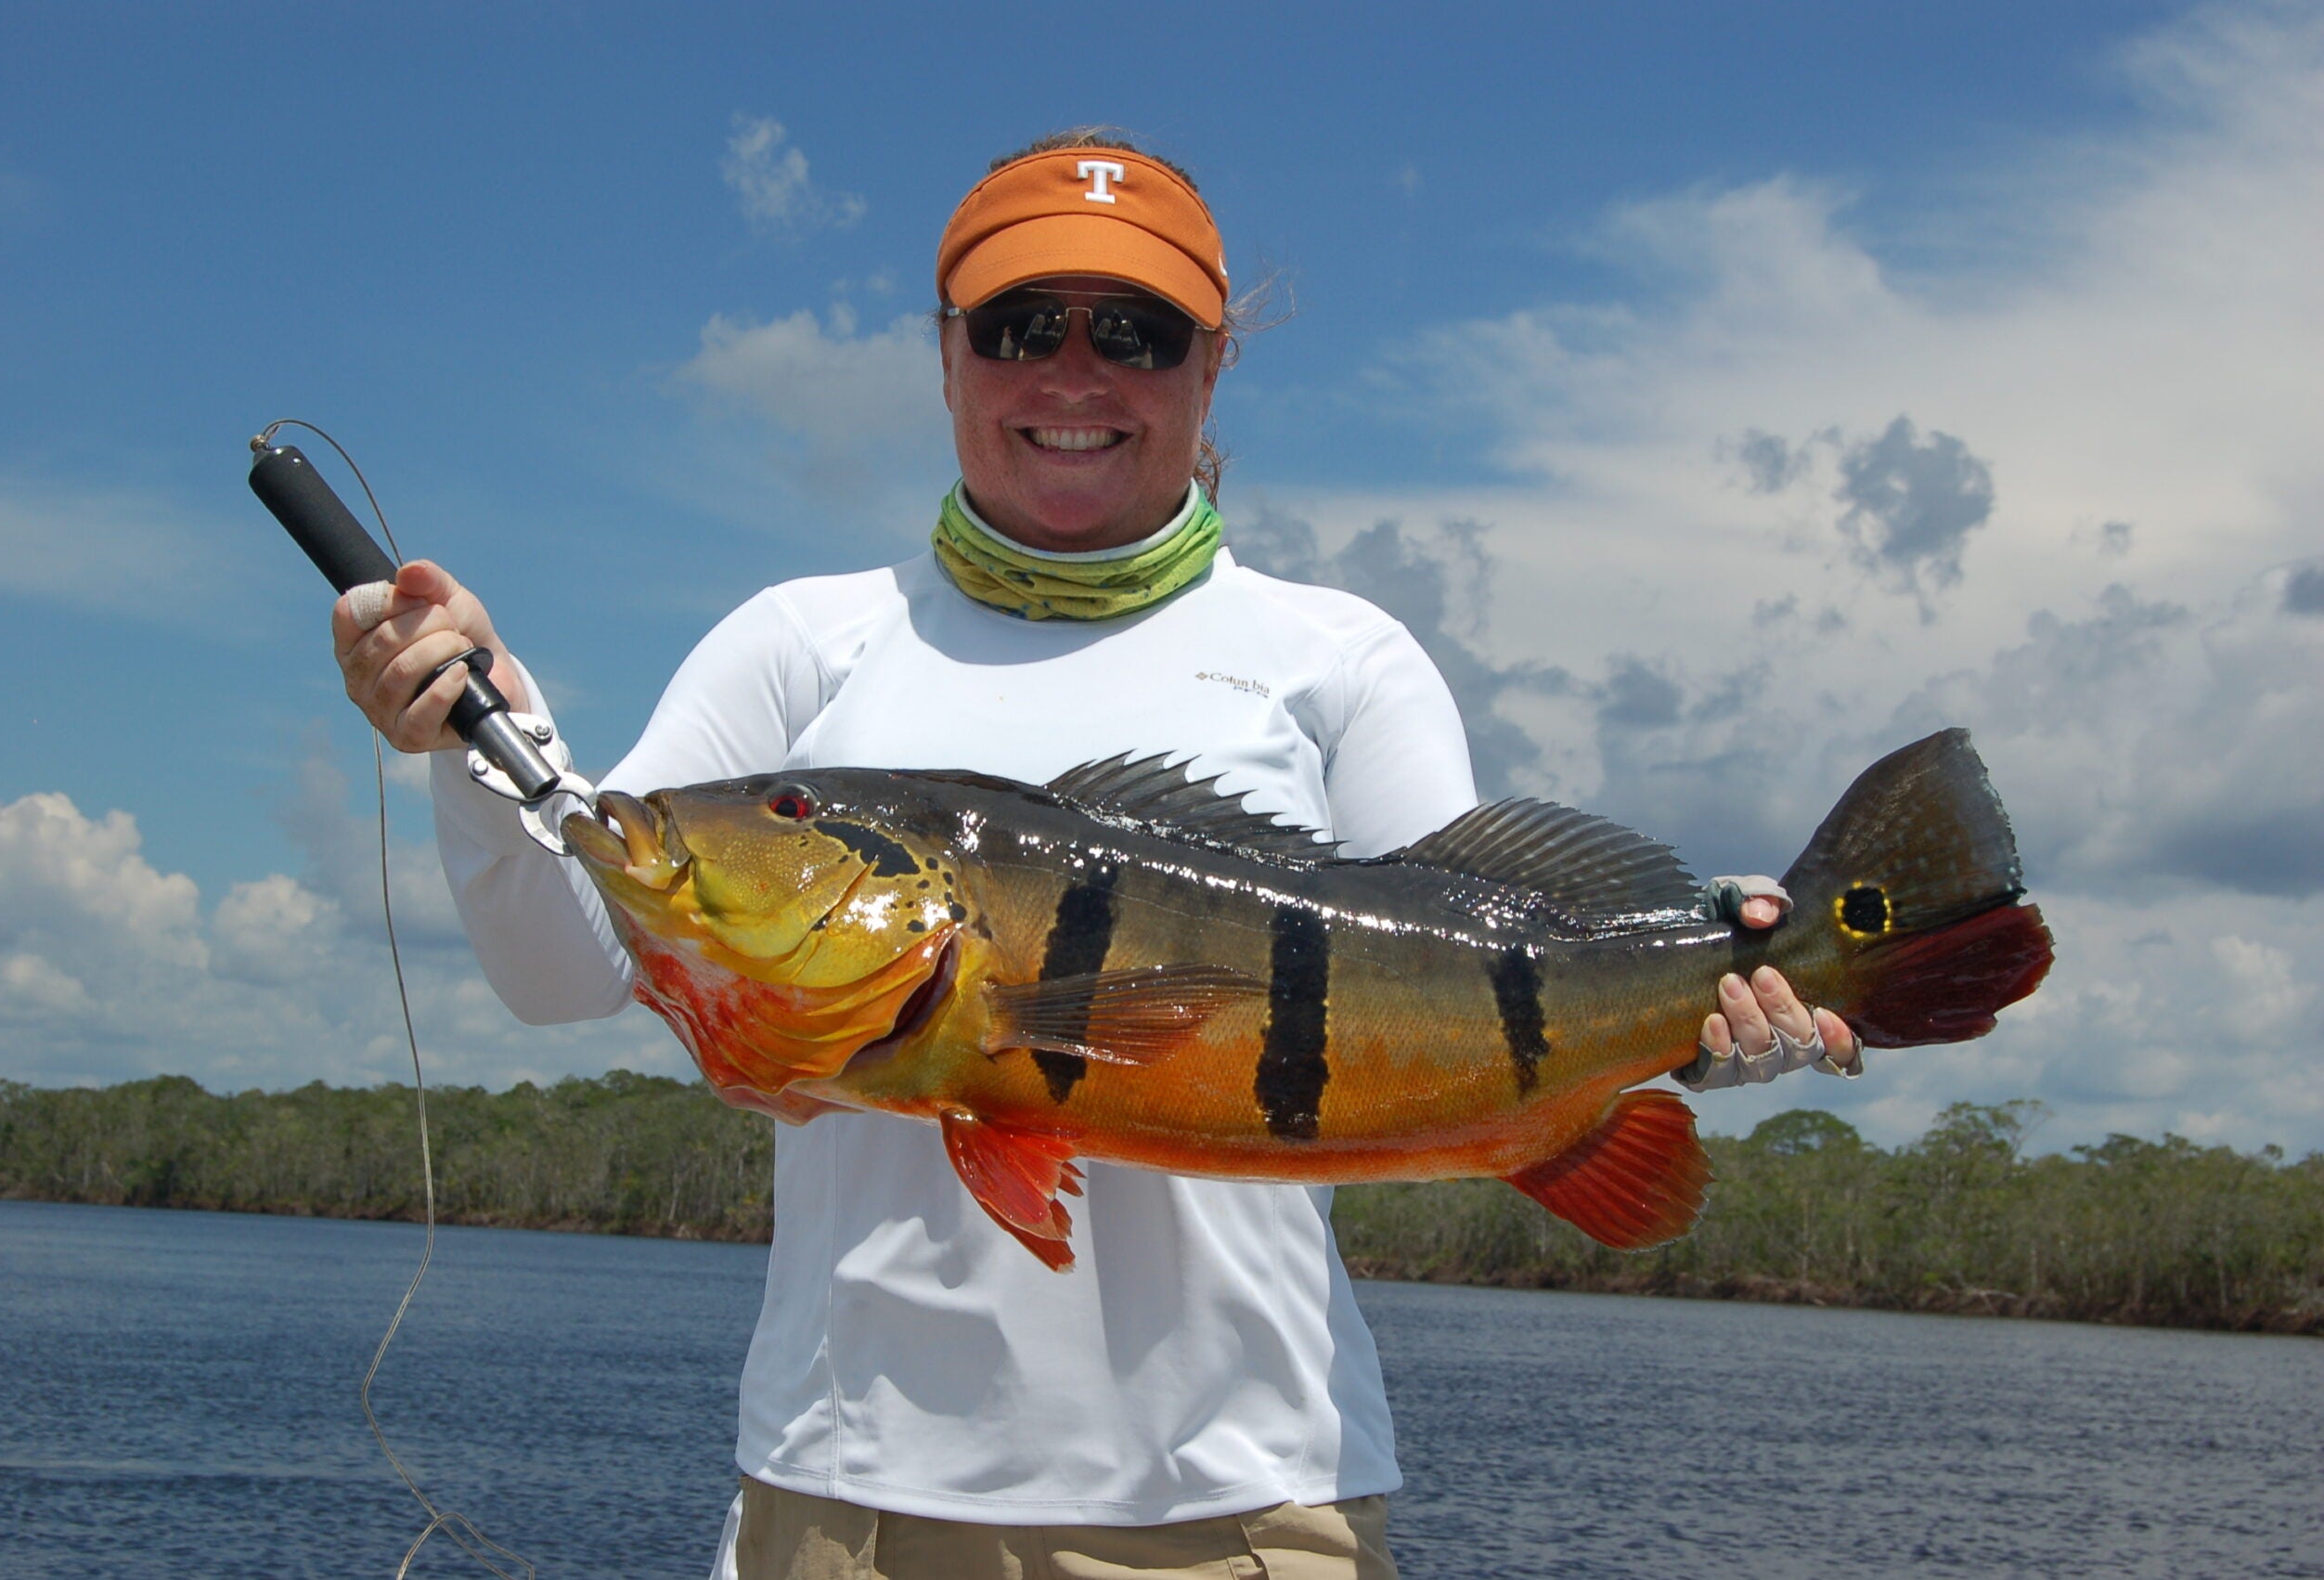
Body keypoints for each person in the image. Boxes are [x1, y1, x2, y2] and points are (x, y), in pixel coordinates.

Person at [335, 132, 1859, 1580]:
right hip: (847, 1492)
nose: (1072, 373)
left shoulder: (1341, 659)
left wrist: (1700, 1021)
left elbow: (1473, 995)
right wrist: (482, 747)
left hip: (1247, 1497)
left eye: (1133, 331)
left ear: (1212, 366)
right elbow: (565, 969)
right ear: (943, 352)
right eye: (1018, 324)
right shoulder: (801, 647)